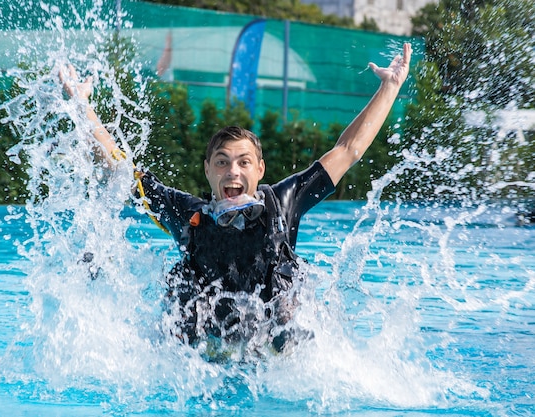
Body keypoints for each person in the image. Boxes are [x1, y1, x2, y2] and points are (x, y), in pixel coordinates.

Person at [60, 43, 412, 356]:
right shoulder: (188, 214)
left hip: (274, 355)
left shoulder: (283, 203)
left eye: (244, 162)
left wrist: (390, 87)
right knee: (180, 302)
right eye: (222, 163)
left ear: (260, 169)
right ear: (208, 172)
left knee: (292, 312)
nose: (233, 172)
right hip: (206, 354)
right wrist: (82, 106)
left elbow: (347, 150)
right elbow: (119, 168)